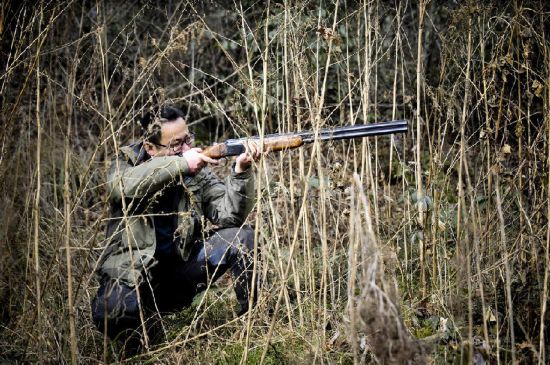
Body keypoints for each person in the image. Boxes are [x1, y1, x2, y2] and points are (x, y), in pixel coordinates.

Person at [91, 106, 261, 353]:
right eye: (177, 144)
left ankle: (253, 327)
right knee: (110, 309)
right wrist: (180, 163)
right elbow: (121, 187)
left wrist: (240, 171)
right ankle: (142, 343)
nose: (187, 149)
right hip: (136, 279)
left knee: (242, 237)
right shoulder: (127, 164)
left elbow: (229, 216)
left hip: (181, 275)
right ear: (150, 148)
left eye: (188, 139)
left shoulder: (195, 173)